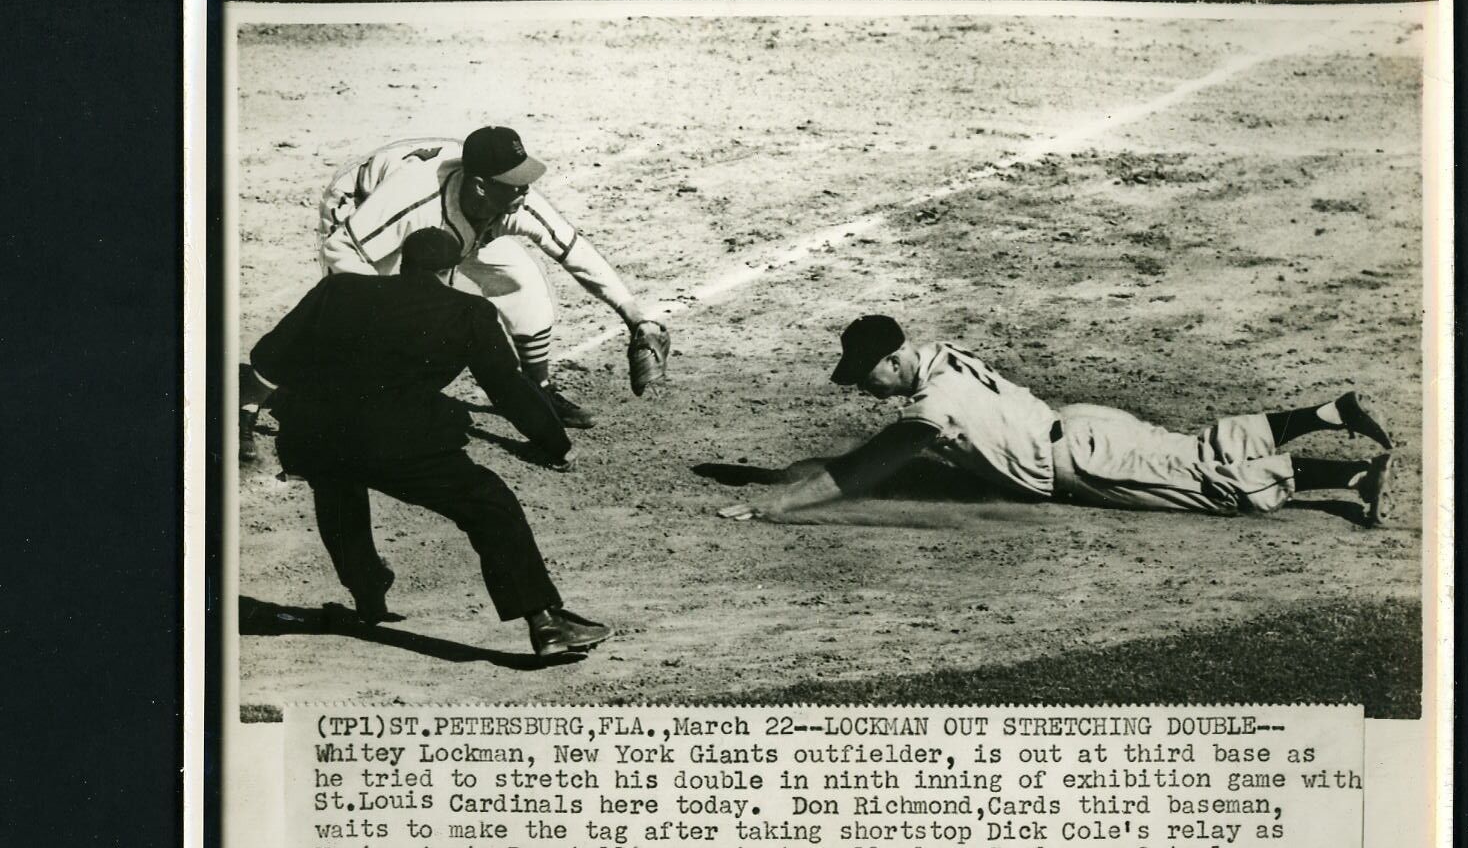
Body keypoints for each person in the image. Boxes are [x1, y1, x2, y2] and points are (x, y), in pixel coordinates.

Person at [250, 227, 613, 661]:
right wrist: (555, 442)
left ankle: (367, 594)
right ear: (452, 270)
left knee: (337, 490)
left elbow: (268, 357)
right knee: (488, 504)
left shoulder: (338, 288)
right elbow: (507, 387)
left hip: (313, 435)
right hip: (400, 445)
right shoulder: (468, 311)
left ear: (404, 261)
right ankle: (545, 622)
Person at [717, 314, 1395, 526]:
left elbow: (863, 468)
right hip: (1085, 423)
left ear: (894, 361)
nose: (862, 391)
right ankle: (1328, 412)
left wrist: (779, 502)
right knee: (1202, 446)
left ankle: (1351, 473)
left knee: (1218, 486)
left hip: (1086, 460)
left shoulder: (932, 404)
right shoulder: (939, 356)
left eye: (866, 377)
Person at [315, 125, 668, 429]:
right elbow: (341, 248)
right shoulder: (411, 200)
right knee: (360, 313)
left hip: (459, 216)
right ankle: (302, 407)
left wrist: (634, 317)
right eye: (515, 183)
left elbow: (574, 251)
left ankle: (538, 390)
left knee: (522, 282)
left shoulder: (512, 197)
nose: (525, 190)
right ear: (482, 185)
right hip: (364, 206)